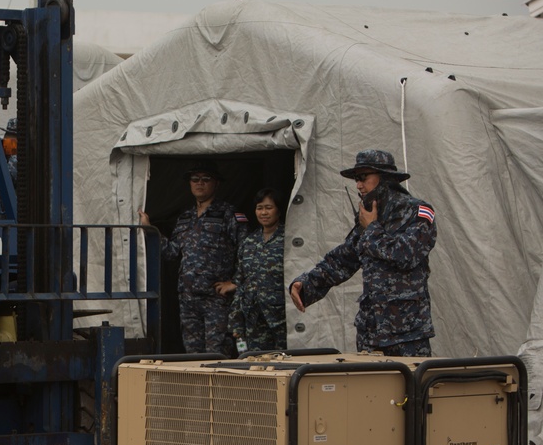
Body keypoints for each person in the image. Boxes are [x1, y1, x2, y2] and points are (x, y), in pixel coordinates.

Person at [289, 149, 436, 356]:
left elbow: (405, 255)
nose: (358, 185)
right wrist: (307, 284)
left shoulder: (417, 211)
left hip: (407, 334)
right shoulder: (369, 214)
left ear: (385, 178)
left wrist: (372, 228)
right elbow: (344, 259)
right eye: (356, 179)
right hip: (371, 331)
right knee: (369, 389)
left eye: (364, 178)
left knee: (408, 387)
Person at [139, 166, 247, 355]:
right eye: (195, 179)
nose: (199, 183)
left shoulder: (229, 214)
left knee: (218, 353)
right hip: (188, 298)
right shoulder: (185, 217)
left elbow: (246, 251)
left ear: (216, 183)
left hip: (216, 299)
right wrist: (149, 230)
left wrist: (235, 282)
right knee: (193, 354)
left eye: (205, 178)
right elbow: (171, 252)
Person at [217, 188, 287, 352]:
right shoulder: (249, 242)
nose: (263, 212)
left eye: (268, 208)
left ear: (278, 210)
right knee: (256, 363)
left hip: (281, 318)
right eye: (259, 208)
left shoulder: (289, 239)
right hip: (254, 319)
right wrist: (236, 319)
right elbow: (241, 281)